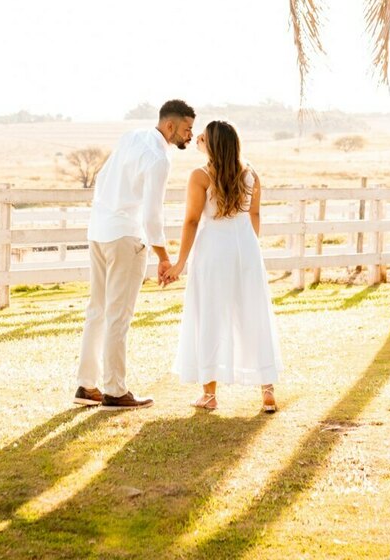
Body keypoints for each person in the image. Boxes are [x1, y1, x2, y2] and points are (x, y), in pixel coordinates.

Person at [73, 99, 195, 409]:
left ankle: (87, 386)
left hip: (99, 231)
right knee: (118, 315)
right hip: (125, 237)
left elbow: (103, 180)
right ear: (170, 126)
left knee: (97, 310)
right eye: (187, 129)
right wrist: (164, 257)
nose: (190, 136)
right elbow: (152, 215)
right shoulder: (158, 158)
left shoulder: (130, 137)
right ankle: (115, 390)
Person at [166, 119, 282, 414]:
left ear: (212, 144)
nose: (197, 140)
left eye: (202, 137)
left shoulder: (201, 176)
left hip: (213, 251)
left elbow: (192, 220)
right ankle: (267, 391)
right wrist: (247, 249)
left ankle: (209, 394)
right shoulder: (251, 174)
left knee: (210, 314)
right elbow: (254, 216)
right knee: (253, 313)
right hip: (246, 248)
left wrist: (179, 262)